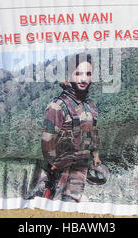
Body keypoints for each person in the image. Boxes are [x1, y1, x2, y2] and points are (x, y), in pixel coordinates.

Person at [41, 53, 101, 202]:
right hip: (60, 173)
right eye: (78, 73)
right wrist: (55, 164)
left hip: (80, 170)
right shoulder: (57, 107)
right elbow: (47, 142)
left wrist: (95, 155)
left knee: (72, 205)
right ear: (70, 75)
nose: (83, 79)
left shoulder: (90, 106)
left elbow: (93, 132)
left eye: (88, 74)